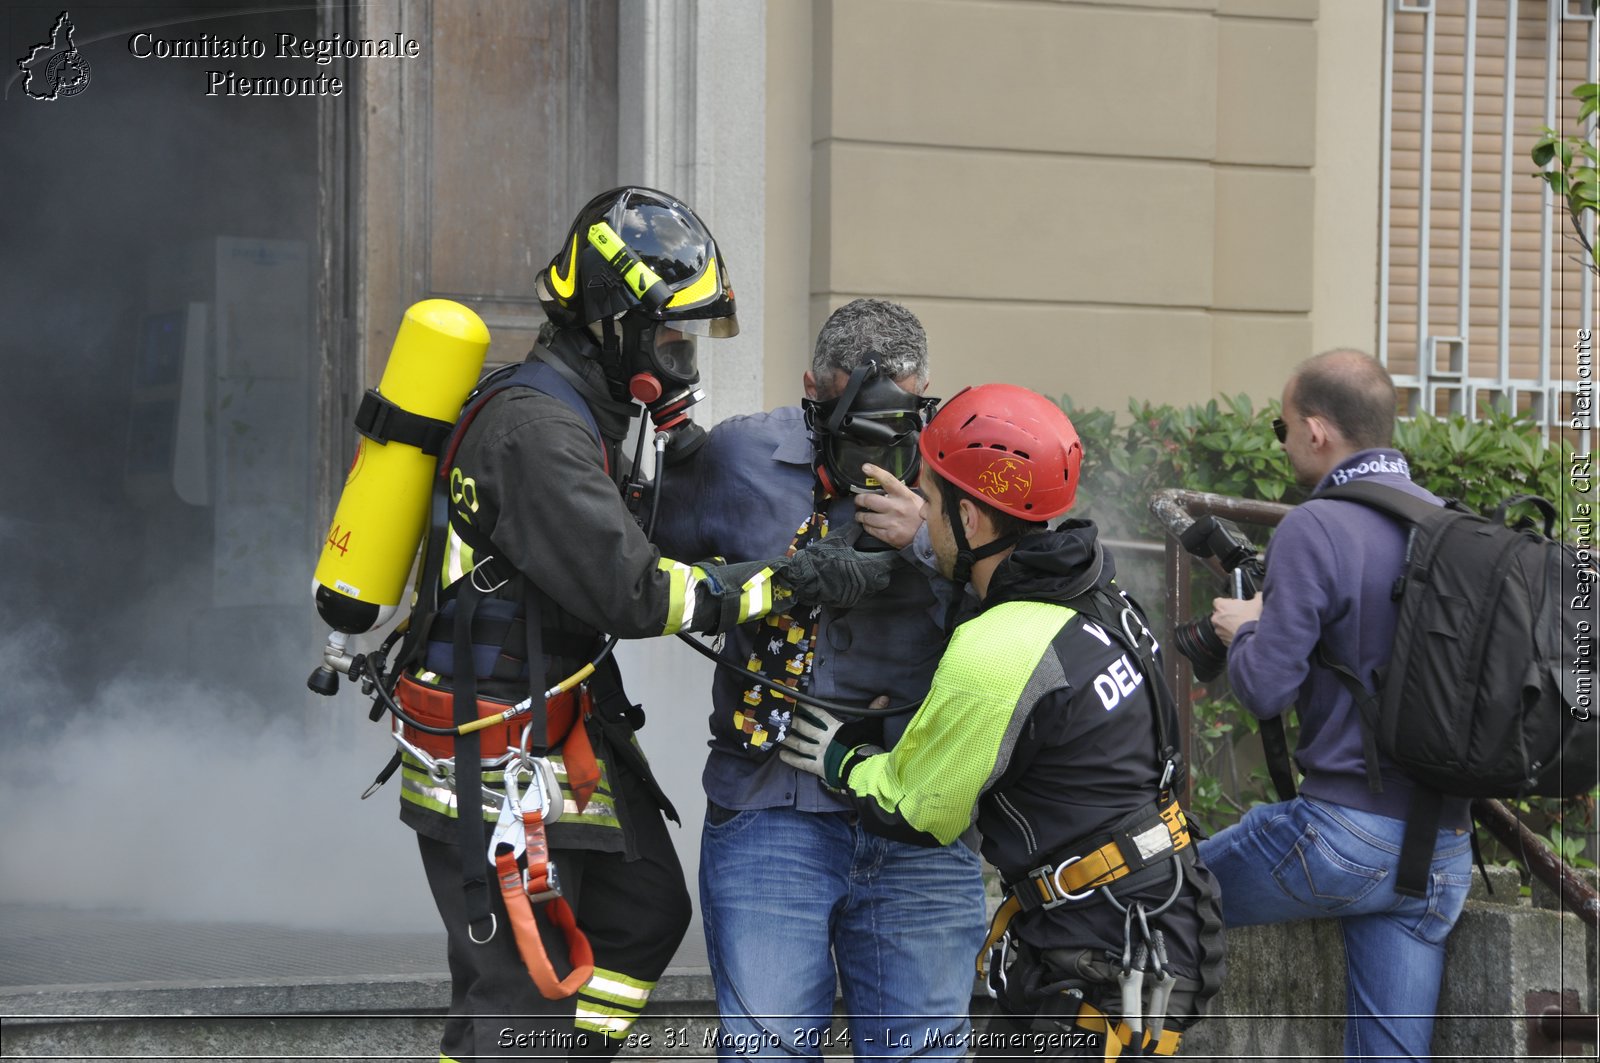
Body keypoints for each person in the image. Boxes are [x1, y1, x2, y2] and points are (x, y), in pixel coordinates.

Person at [385, 187, 894, 1061]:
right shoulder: (537, 431)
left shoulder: (587, 413)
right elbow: (637, 594)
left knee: (644, 905)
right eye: (668, 338)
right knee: (519, 999)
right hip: (496, 753)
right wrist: (788, 578)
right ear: (614, 323)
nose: (683, 359)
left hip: (557, 727)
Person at [779, 384, 1224, 1060]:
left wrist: (843, 755)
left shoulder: (999, 650)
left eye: (927, 501)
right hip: (1142, 915)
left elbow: (919, 810)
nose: (920, 520)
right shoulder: (1103, 596)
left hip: (1107, 956)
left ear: (971, 519)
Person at [650, 298, 989, 1060]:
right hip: (772, 811)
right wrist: (762, 579)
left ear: (925, 391)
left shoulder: (962, 477)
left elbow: (1036, 605)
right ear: (812, 388)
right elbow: (639, 566)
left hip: (919, 824)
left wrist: (930, 546)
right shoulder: (739, 459)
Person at [1198, 349, 1472, 1062]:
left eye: (1283, 427)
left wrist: (1247, 625)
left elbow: (1264, 687)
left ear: (1318, 430)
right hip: (1441, 853)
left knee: (1152, 893)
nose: (1283, 442)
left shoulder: (1313, 528)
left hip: (1344, 842)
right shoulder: (1449, 525)